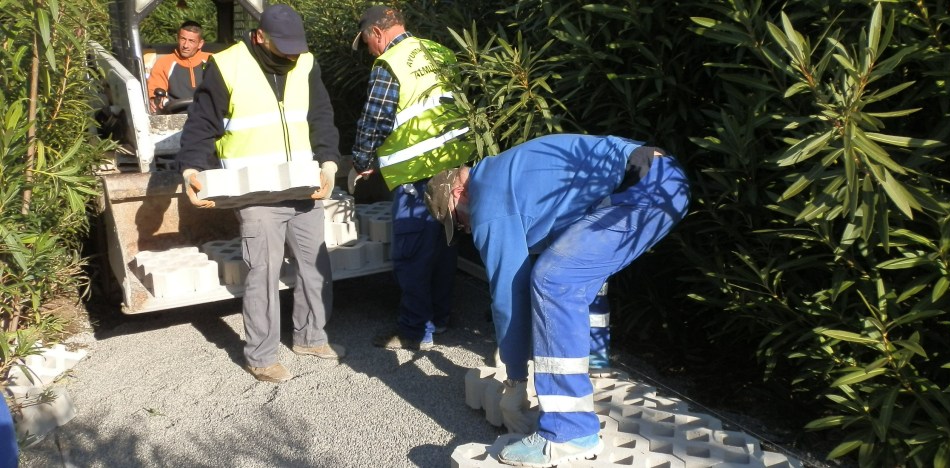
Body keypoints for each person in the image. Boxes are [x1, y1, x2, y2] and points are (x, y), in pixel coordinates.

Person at [425, 134, 690, 466]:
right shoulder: (506, 175)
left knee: (553, 280)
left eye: (459, 220)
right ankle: (594, 363)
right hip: (661, 178)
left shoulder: (487, 199)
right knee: (575, 268)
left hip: (644, 186)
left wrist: (515, 380)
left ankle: (569, 433)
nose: (466, 228)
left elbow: (508, 295)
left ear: (458, 193)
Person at [176, 4, 344, 383]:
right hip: (256, 194)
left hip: (303, 188)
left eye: (296, 48)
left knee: (315, 267)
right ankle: (261, 356)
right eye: (283, 48)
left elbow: (320, 117)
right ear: (259, 37)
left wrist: (329, 162)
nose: (291, 56)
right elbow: (202, 123)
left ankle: (311, 337)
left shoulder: (306, 64)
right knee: (263, 275)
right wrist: (190, 169)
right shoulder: (228, 65)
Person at [349, 6, 475, 351]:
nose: (370, 51)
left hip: (415, 174)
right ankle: (440, 318)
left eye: (367, 42)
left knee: (413, 254)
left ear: (377, 33)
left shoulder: (389, 64)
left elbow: (374, 121)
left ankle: (415, 330)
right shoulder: (440, 52)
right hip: (452, 169)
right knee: (444, 247)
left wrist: (361, 162)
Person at [147, 20, 211, 114]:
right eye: (183, 39)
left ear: (200, 44)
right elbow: (154, 89)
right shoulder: (164, 62)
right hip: (175, 115)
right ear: (178, 39)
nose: (185, 45)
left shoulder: (212, 60)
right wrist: (153, 99)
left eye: (191, 41)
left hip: (206, 114)